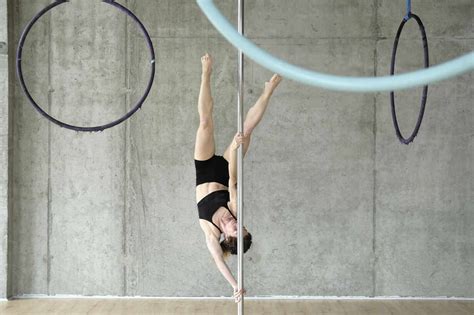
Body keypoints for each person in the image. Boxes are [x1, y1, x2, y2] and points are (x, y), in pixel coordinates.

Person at [194, 53, 282, 302]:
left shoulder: (210, 233)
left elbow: (218, 262)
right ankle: (268, 91)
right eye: (243, 226)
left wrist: (235, 286)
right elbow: (232, 181)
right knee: (245, 132)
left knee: (204, 124)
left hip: (204, 171)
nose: (238, 223)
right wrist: (234, 148)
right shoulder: (234, 209)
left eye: (237, 229)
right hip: (225, 172)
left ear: (228, 237)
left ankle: (206, 73)